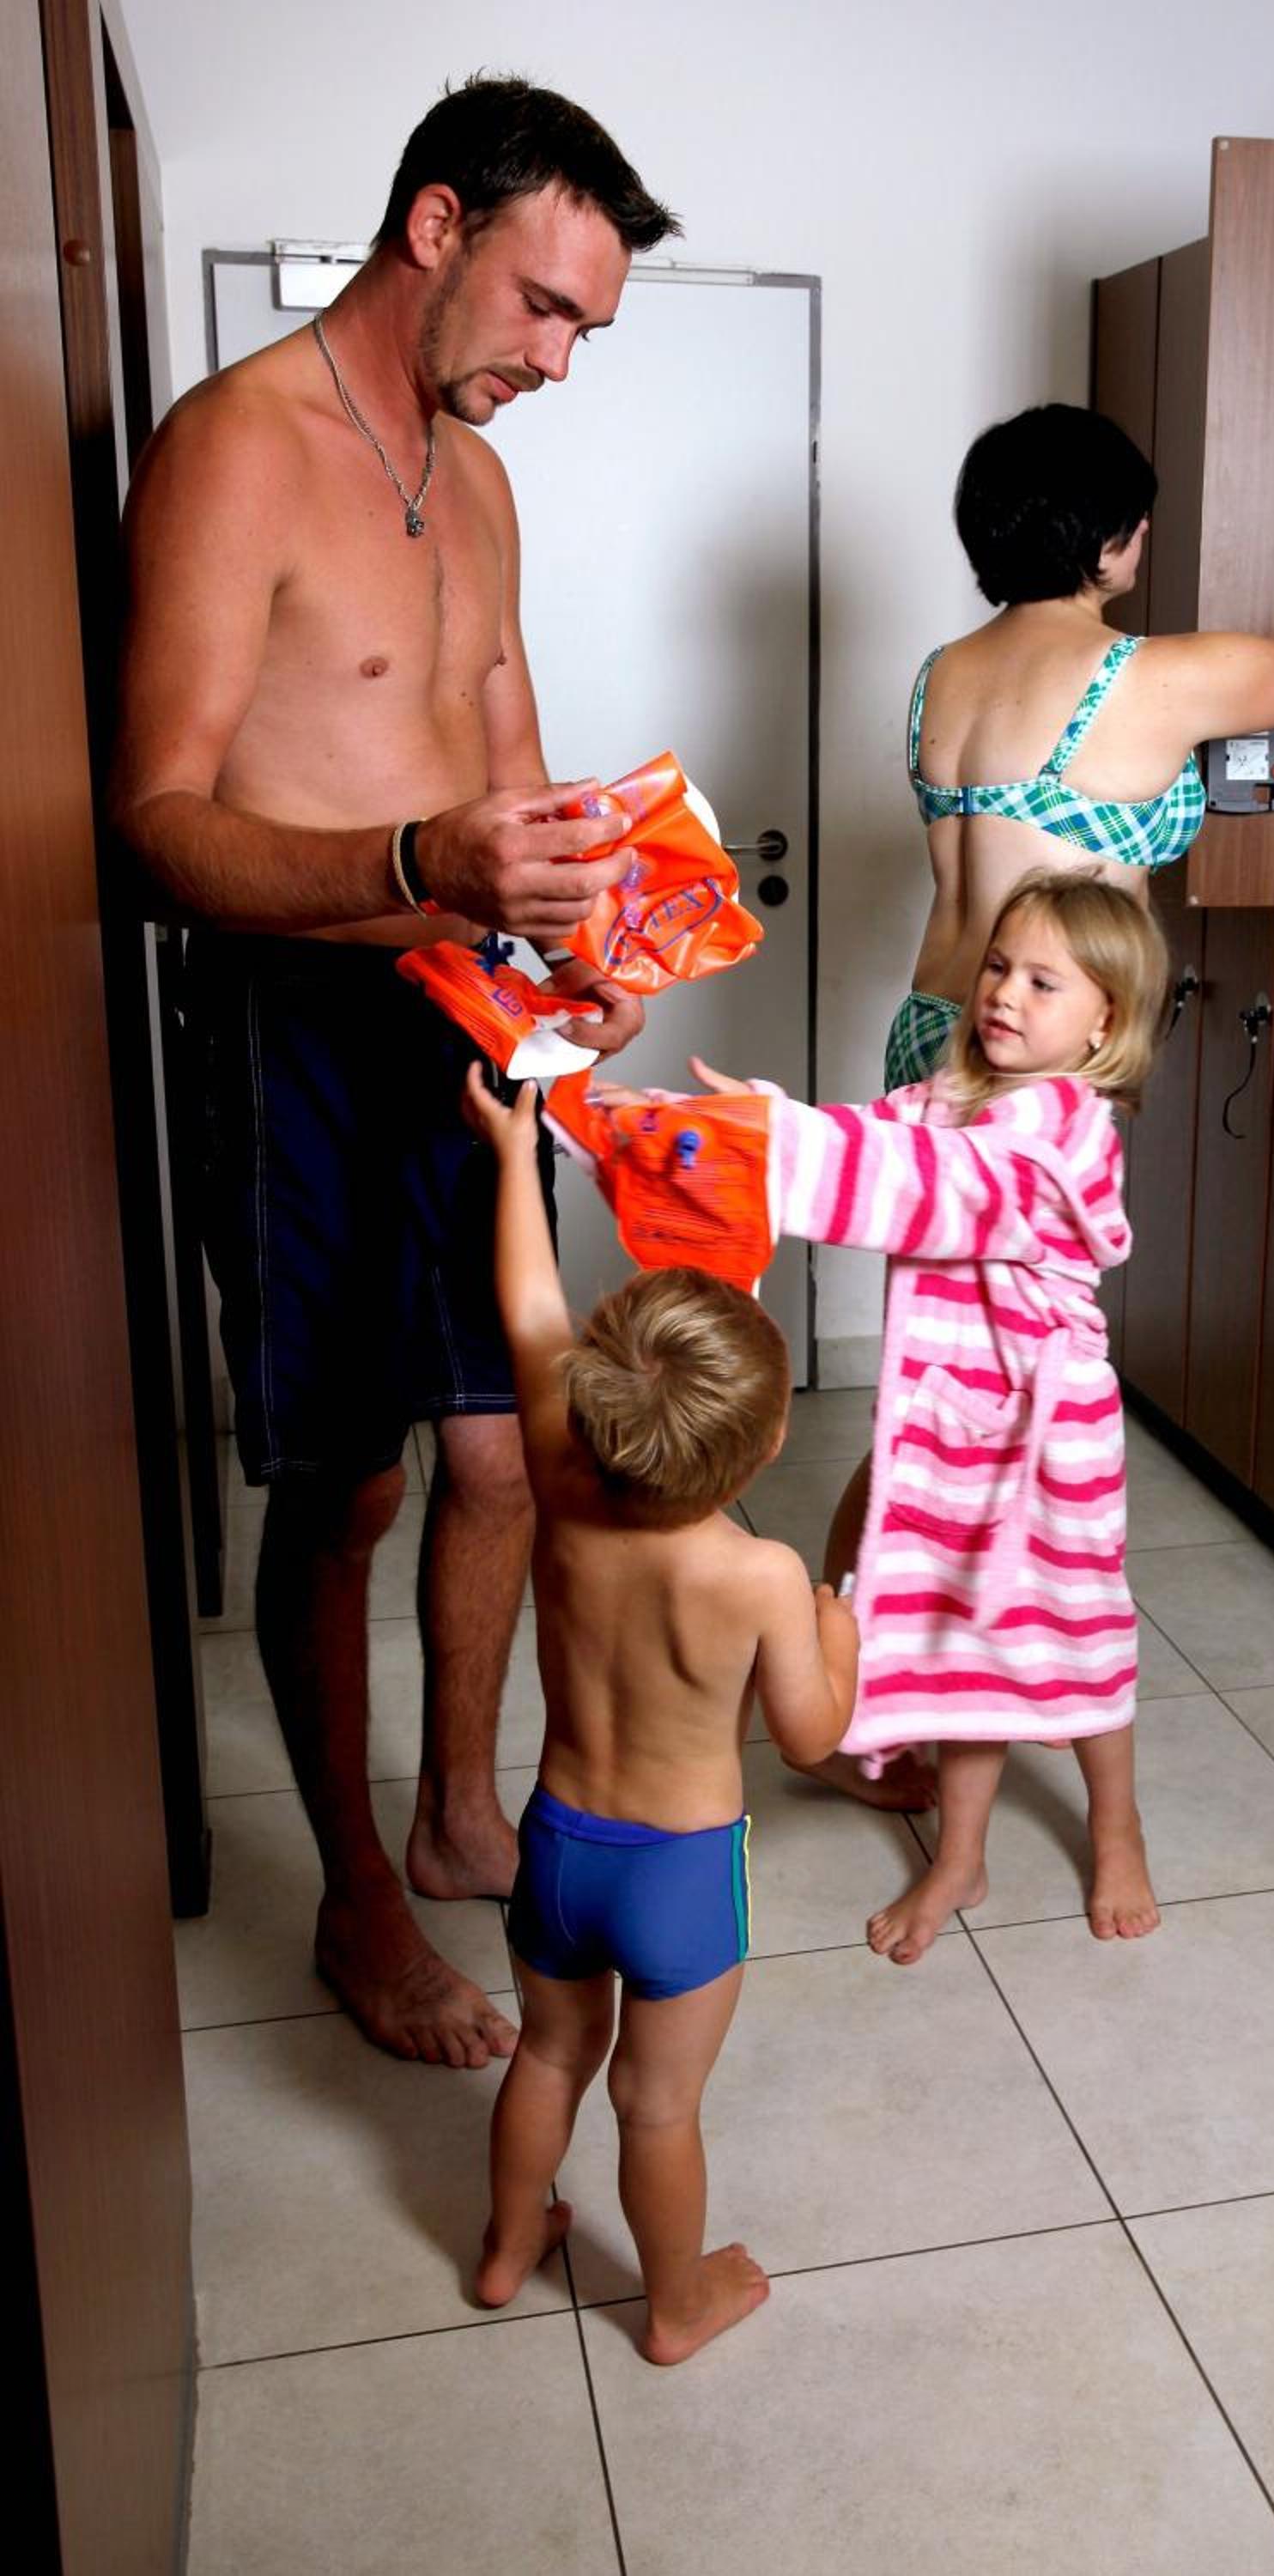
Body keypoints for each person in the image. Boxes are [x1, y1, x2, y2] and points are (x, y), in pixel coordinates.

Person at [110, 77, 680, 2069]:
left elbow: (514, 773)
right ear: (436, 226)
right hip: (299, 1008)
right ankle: (357, 1897)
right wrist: (419, 860)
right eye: (543, 306)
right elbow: (153, 824)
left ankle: (455, 1809)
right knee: (350, 1478)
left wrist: (580, 947)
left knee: (508, 1446)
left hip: (467, 1003)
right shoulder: (234, 449)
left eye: (586, 328)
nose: (557, 360)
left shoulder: (480, 478)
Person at [815, 396, 1274, 1636]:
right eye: (1137, 524)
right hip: (1027, 1075)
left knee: (937, 1382)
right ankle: (987, 1665)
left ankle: (840, 1639)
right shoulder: (1144, 678)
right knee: (1004, 1398)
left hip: (933, 1033)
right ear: (1109, 538)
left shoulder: (944, 676)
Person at [649, 867, 1167, 1961]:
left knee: (1078, 1633)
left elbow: (925, 1187)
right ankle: (959, 1858)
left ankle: (1115, 1826)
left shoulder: (1062, 1133)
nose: (1003, 993)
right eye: (997, 966)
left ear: (1103, 1023)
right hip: (955, 1431)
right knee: (963, 1640)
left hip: (1048, 1443)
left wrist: (773, 1145)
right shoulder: (953, 1098)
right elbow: (870, 1141)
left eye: (1042, 982)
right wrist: (740, 1128)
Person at [461, 1069, 858, 2359]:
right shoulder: (760, 1577)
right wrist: (837, 1631)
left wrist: (514, 1155)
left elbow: (529, 1309)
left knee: (548, 2054)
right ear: (766, 1446)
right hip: (678, 1874)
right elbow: (811, 1737)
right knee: (655, 2103)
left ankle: (508, 2243)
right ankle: (675, 2307)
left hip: (559, 1840)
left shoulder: (559, 1473)